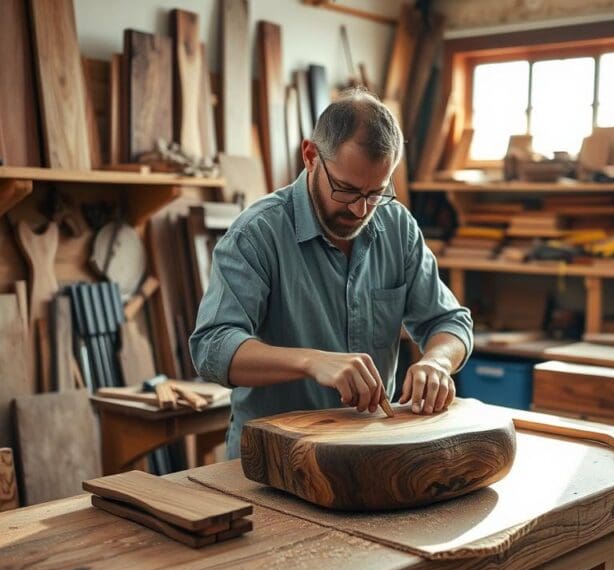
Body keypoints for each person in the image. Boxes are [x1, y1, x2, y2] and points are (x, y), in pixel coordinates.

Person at [190, 88, 473, 458]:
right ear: (310, 156)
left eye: (376, 192)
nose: (360, 210)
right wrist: (312, 361)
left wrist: (436, 362)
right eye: (346, 190)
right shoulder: (257, 234)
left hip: (369, 452)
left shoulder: (397, 226)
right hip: (273, 461)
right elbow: (211, 347)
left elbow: (451, 322)